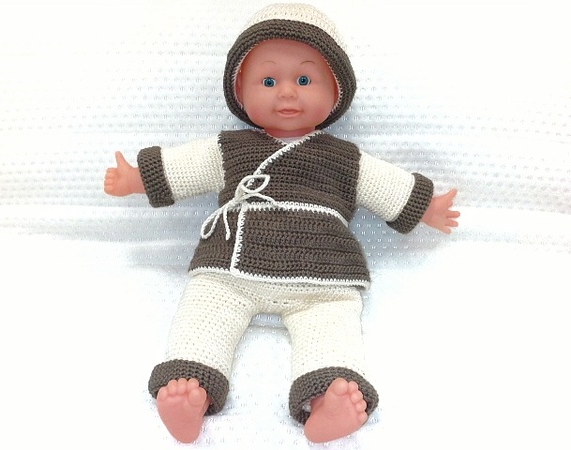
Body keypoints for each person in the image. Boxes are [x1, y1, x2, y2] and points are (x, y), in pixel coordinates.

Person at [104, 3, 459, 444]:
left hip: (321, 277)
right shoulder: (230, 148)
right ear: (240, 91)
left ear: (336, 91)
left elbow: (387, 185)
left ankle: (330, 395)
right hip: (230, 270)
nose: (287, 93)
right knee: (204, 307)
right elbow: (183, 167)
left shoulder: (344, 158)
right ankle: (189, 384)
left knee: (332, 324)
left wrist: (426, 206)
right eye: (268, 81)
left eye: (304, 80)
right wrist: (136, 179)